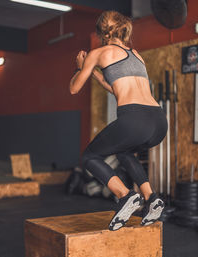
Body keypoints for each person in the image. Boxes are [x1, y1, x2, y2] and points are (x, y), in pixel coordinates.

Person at [69, 10, 168, 231]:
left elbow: (74, 88)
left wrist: (81, 66)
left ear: (102, 33)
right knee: (123, 152)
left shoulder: (99, 52)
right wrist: (94, 73)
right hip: (159, 121)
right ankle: (151, 198)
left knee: (89, 156)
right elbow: (115, 88)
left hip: (134, 119)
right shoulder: (136, 55)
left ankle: (125, 195)